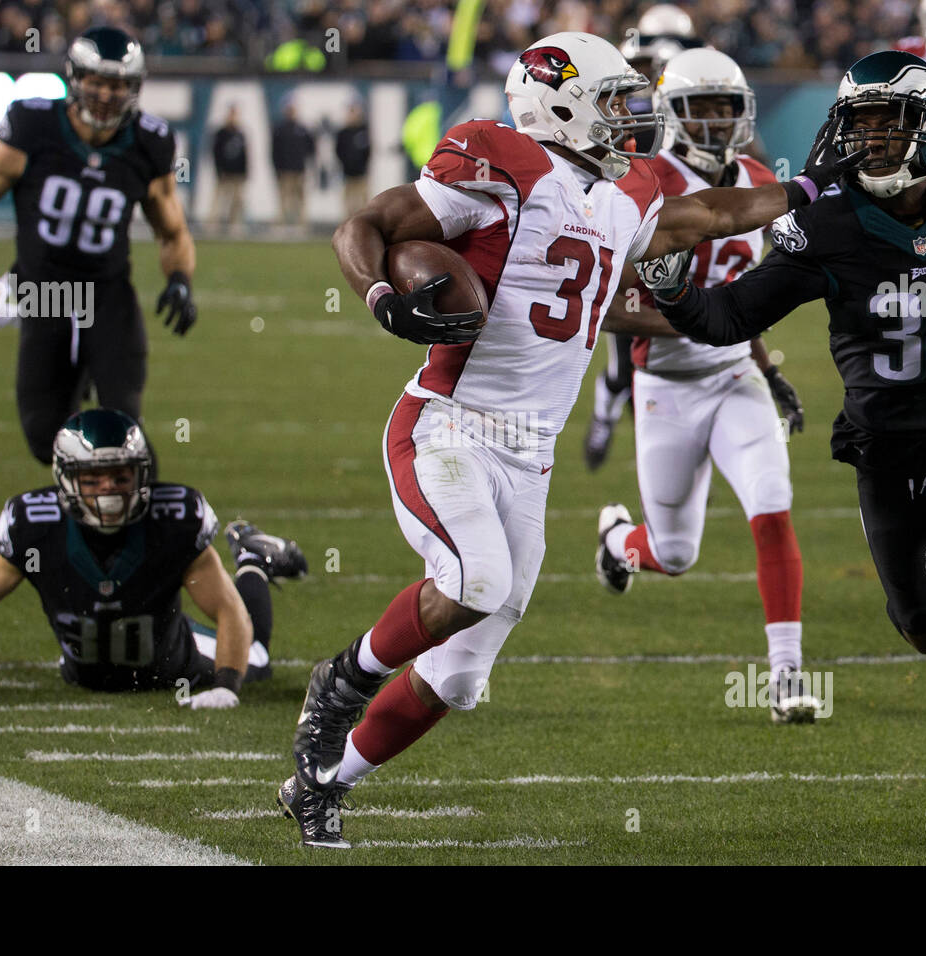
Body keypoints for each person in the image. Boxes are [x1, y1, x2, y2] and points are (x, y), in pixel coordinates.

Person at [278, 31, 862, 848]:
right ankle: (342, 680)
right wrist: (380, 295)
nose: (633, 118)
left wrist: (803, 187)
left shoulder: (628, 192)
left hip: (532, 454)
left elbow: (702, 217)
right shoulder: (500, 162)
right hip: (449, 423)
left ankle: (320, 785)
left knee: (459, 676)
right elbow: (366, 223)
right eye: (614, 101)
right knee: (475, 581)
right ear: (557, 103)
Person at [641, 51, 926, 834]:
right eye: (859, 123)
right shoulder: (826, 218)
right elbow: (730, 320)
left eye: (888, 123)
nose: (872, 140)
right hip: (883, 446)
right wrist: (674, 292)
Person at [593, 48, 818, 724]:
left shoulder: (755, 178)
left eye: (728, 106)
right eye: (704, 107)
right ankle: (616, 543)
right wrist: (692, 322)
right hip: (666, 383)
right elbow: (603, 305)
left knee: (772, 502)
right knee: (676, 552)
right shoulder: (642, 184)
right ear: (672, 112)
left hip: (733, 377)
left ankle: (786, 678)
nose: (719, 120)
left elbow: (744, 298)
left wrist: (768, 368)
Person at [0, 409, 307, 707]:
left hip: (175, 662)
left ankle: (252, 560)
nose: (108, 489)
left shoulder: (174, 518)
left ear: (142, 476)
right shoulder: (34, 524)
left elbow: (227, 609)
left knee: (256, 658)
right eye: (93, 479)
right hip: (91, 667)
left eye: (120, 476)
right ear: (67, 479)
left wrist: (227, 686)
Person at [0, 26, 199, 465]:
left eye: (118, 84)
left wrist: (180, 279)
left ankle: (136, 520)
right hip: (42, 292)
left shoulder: (148, 142)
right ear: (75, 78)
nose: (106, 94)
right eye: (97, 82)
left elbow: (173, 230)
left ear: (134, 88)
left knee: (124, 430)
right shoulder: (33, 125)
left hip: (107, 292)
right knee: (43, 435)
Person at [584, 4, 699, 472]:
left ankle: (678, 452)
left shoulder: (693, 85)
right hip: (627, 226)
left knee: (686, 347)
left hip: (677, 228)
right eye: (650, 63)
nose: (654, 72)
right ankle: (605, 418)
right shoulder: (623, 96)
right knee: (622, 360)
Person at [271, 100, 315, 226]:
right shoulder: (280, 129)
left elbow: (310, 147)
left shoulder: (302, 129)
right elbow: (275, 151)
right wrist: (277, 168)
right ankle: (281, 223)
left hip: (299, 169)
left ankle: (301, 224)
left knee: (300, 198)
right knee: (284, 198)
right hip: (284, 170)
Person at [211, 105, 248, 236]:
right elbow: (216, 153)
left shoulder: (240, 133)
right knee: (219, 200)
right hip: (224, 173)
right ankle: (213, 226)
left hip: (237, 174)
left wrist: (245, 172)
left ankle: (235, 226)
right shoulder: (221, 133)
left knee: (237, 201)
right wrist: (218, 170)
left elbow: (245, 154)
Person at [335, 101, 372, 220]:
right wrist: (345, 163)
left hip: (361, 172)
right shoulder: (343, 133)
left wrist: (364, 165)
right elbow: (338, 151)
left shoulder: (363, 130)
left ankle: (363, 222)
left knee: (362, 201)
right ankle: (349, 222)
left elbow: (368, 151)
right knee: (349, 200)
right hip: (347, 172)